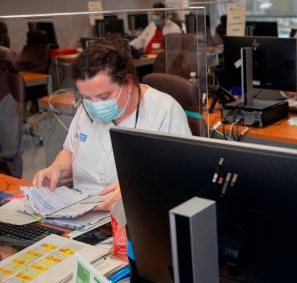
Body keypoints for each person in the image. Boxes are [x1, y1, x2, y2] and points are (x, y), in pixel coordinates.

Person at [33, 40, 191, 211]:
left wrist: (137, 189)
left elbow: (182, 178)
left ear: (128, 83)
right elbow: (70, 152)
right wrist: (56, 168)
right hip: (82, 207)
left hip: (137, 212)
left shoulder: (164, 111)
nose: (95, 105)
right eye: (87, 97)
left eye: (103, 97)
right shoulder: (86, 109)